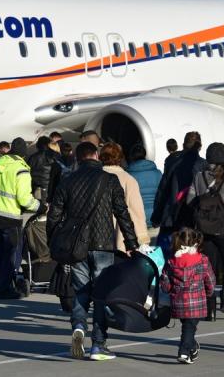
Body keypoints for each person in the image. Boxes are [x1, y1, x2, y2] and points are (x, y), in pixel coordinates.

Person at [48, 141, 138, 361]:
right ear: (96, 156)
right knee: (101, 294)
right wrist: (131, 243)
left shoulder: (67, 181)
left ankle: (78, 326)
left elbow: (54, 216)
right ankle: (98, 344)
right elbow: (123, 214)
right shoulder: (110, 180)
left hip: (76, 246)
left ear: (78, 158)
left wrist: (55, 243)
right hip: (102, 244)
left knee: (80, 291)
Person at [185, 142, 224, 319]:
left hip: (205, 230)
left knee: (208, 268)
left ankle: (209, 308)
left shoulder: (199, 177)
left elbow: (190, 201)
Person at [0, 137, 40, 298]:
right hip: (10, 217)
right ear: (23, 155)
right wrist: (40, 206)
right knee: (10, 255)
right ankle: (5, 289)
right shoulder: (21, 169)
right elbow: (24, 199)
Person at [160, 227, 215, 364]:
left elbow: (165, 283)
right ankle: (184, 352)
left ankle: (192, 348)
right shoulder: (202, 260)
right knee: (190, 327)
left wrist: (170, 289)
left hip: (178, 301)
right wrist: (209, 293)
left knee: (187, 327)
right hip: (196, 301)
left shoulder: (172, 261)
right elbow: (210, 279)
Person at [151, 132, 207, 249]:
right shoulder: (203, 165)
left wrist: (156, 217)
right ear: (200, 147)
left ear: (183, 145)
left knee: (167, 254)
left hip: (171, 216)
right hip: (192, 219)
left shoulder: (172, 162)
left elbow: (163, 191)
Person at [100, 143, 150, 252]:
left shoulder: (95, 177)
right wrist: (142, 237)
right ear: (120, 158)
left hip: (96, 237)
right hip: (120, 236)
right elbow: (136, 211)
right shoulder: (128, 179)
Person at [126, 143, 162, 217]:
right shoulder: (158, 173)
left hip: (138, 217)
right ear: (145, 154)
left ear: (132, 156)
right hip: (156, 215)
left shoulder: (128, 175)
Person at [28, 136, 62, 203]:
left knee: (37, 208)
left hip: (35, 187)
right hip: (51, 188)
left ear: (38, 145)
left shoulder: (32, 157)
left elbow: (27, 172)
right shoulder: (55, 156)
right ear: (49, 144)